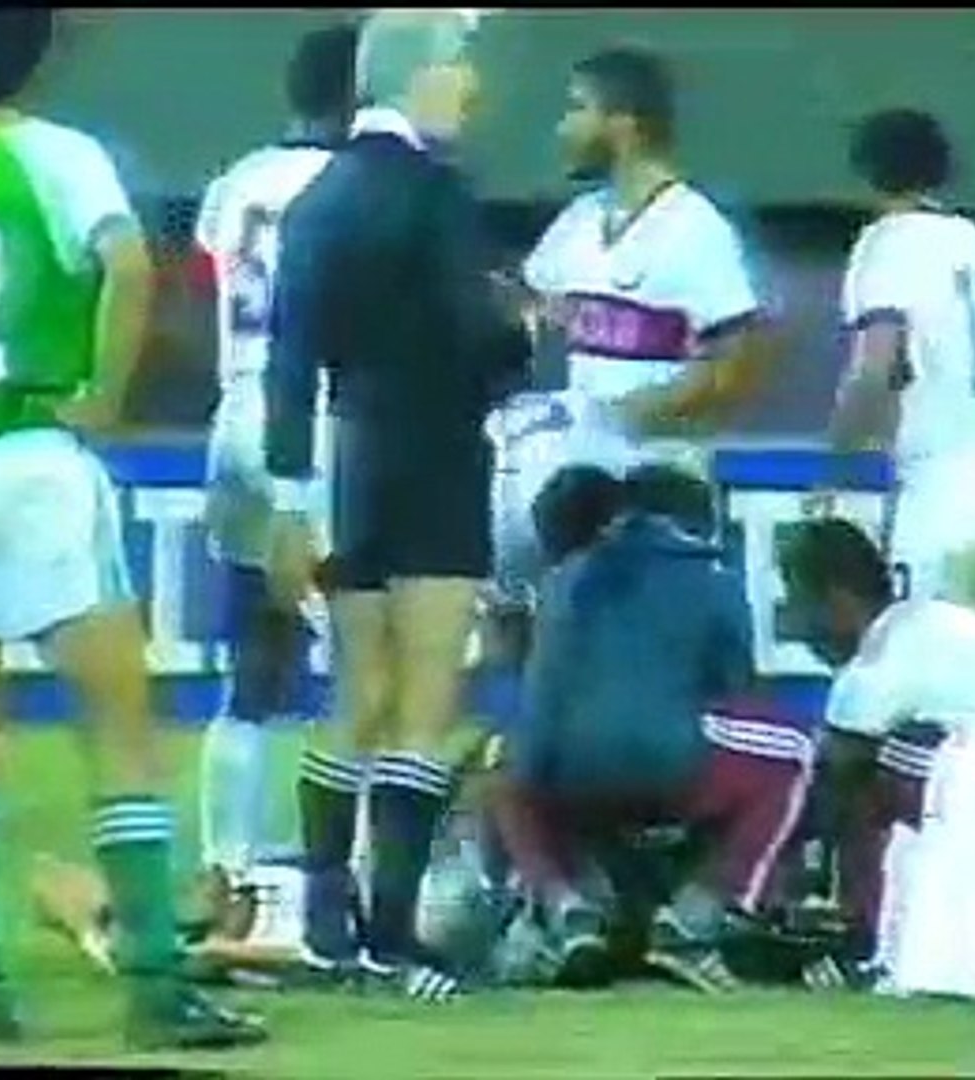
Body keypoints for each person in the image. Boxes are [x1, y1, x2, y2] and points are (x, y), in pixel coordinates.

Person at [0, 10, 263, 1048]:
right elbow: (128, 266)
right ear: (34, 57)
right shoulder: (60, 156)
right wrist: (104, 395)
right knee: (119, 728)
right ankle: (155, 989)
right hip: (35, 454)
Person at [264, 10, 530, 999]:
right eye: (461, 69)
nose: (473, 88)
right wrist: (520, 337)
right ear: (420, 77)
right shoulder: (438, 194)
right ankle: (391, 936)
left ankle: (325, 919)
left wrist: (290, 494)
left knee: (354, 698)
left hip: (351, 456)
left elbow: (288, 363)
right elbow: (475, 332)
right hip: (436, 457)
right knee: (423, 700)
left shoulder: (319, 198)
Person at [493, 464, 819, 993]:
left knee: (508, 762)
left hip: (560, 778)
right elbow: (736, 691)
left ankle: (564, 907)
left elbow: (542, 697)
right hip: (667, 763)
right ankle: (700, 914)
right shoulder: (713, 580)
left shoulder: (562, 580)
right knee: (794, 747)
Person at [775, 518, 975, 996]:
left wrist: (782, 877)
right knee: (907, 763)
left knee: (859, 775)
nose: (792, 619)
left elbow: (826, 786)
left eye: (799, 599)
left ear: (838, 599)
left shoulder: (881, 660)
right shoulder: (934, 622)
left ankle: (869, 944)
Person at [493, 45, 776, 606]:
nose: (563, 127)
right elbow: (532, 302)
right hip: (572, 491)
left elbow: (738, 363)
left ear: (622, 123)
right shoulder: (579, 222)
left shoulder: (695, 228)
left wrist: (647, 409)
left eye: (577, 109)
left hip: (656, 488)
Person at [190, 21, 358, 933]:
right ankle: (344, 880)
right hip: (322, 421)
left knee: (256, 658)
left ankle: (228, 870)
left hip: (236, 412)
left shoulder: (238, 181)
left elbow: (212, 284)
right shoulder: (361, 184)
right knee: (363, 656)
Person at [829, 109, 975, 642]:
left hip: (939, 494)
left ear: (866, 172)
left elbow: (875, 369)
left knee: (927, 661)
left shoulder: (886, 244)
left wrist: (836, 460)